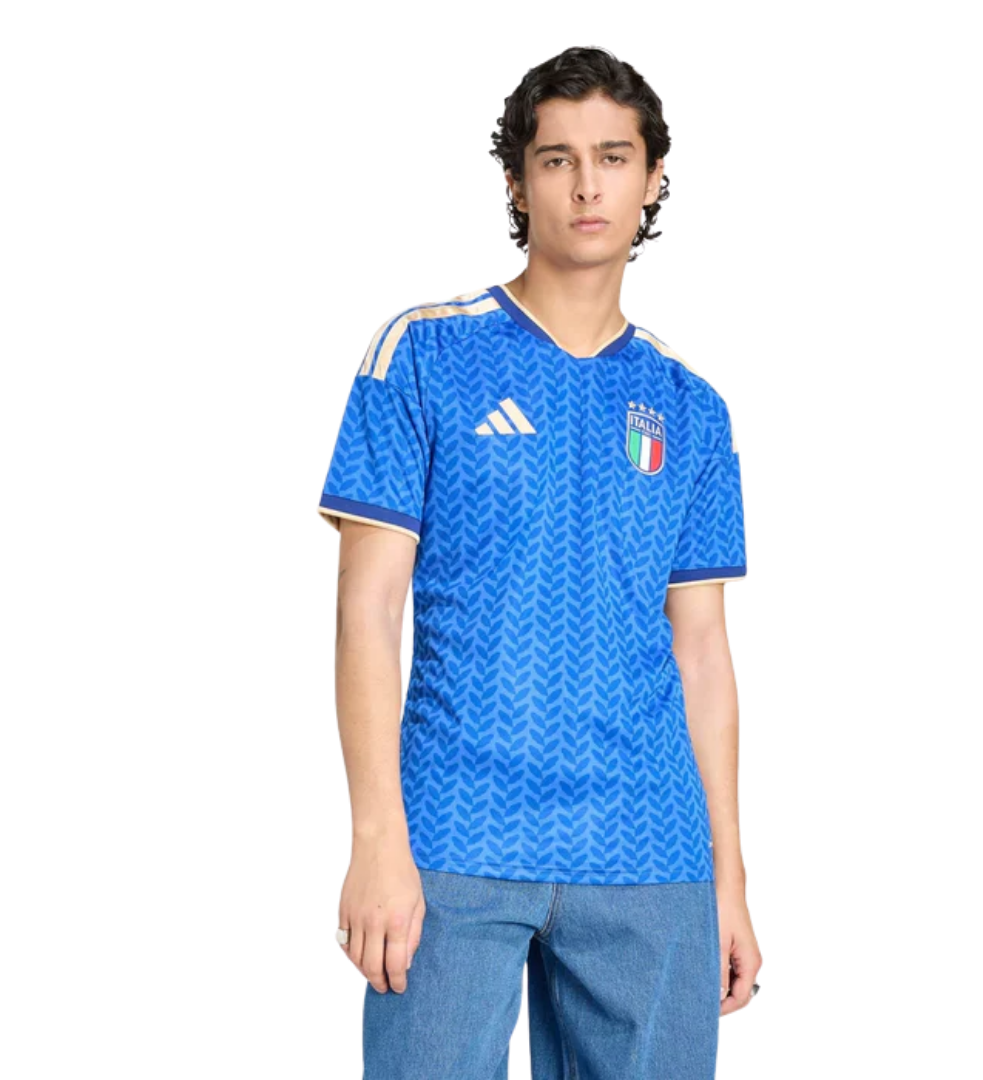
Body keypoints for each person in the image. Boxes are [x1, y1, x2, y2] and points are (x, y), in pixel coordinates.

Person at [318, 44, 760, 1079]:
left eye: (614, 157)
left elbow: (703, 655)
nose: (587, 185)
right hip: (456, 838)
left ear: (654, 179)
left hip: (651, 849)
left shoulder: (694, 407)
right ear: (517, 184)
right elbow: (367, 614)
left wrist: (729, 877)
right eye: (557, 160)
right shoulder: (421, 351)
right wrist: (376, 839)